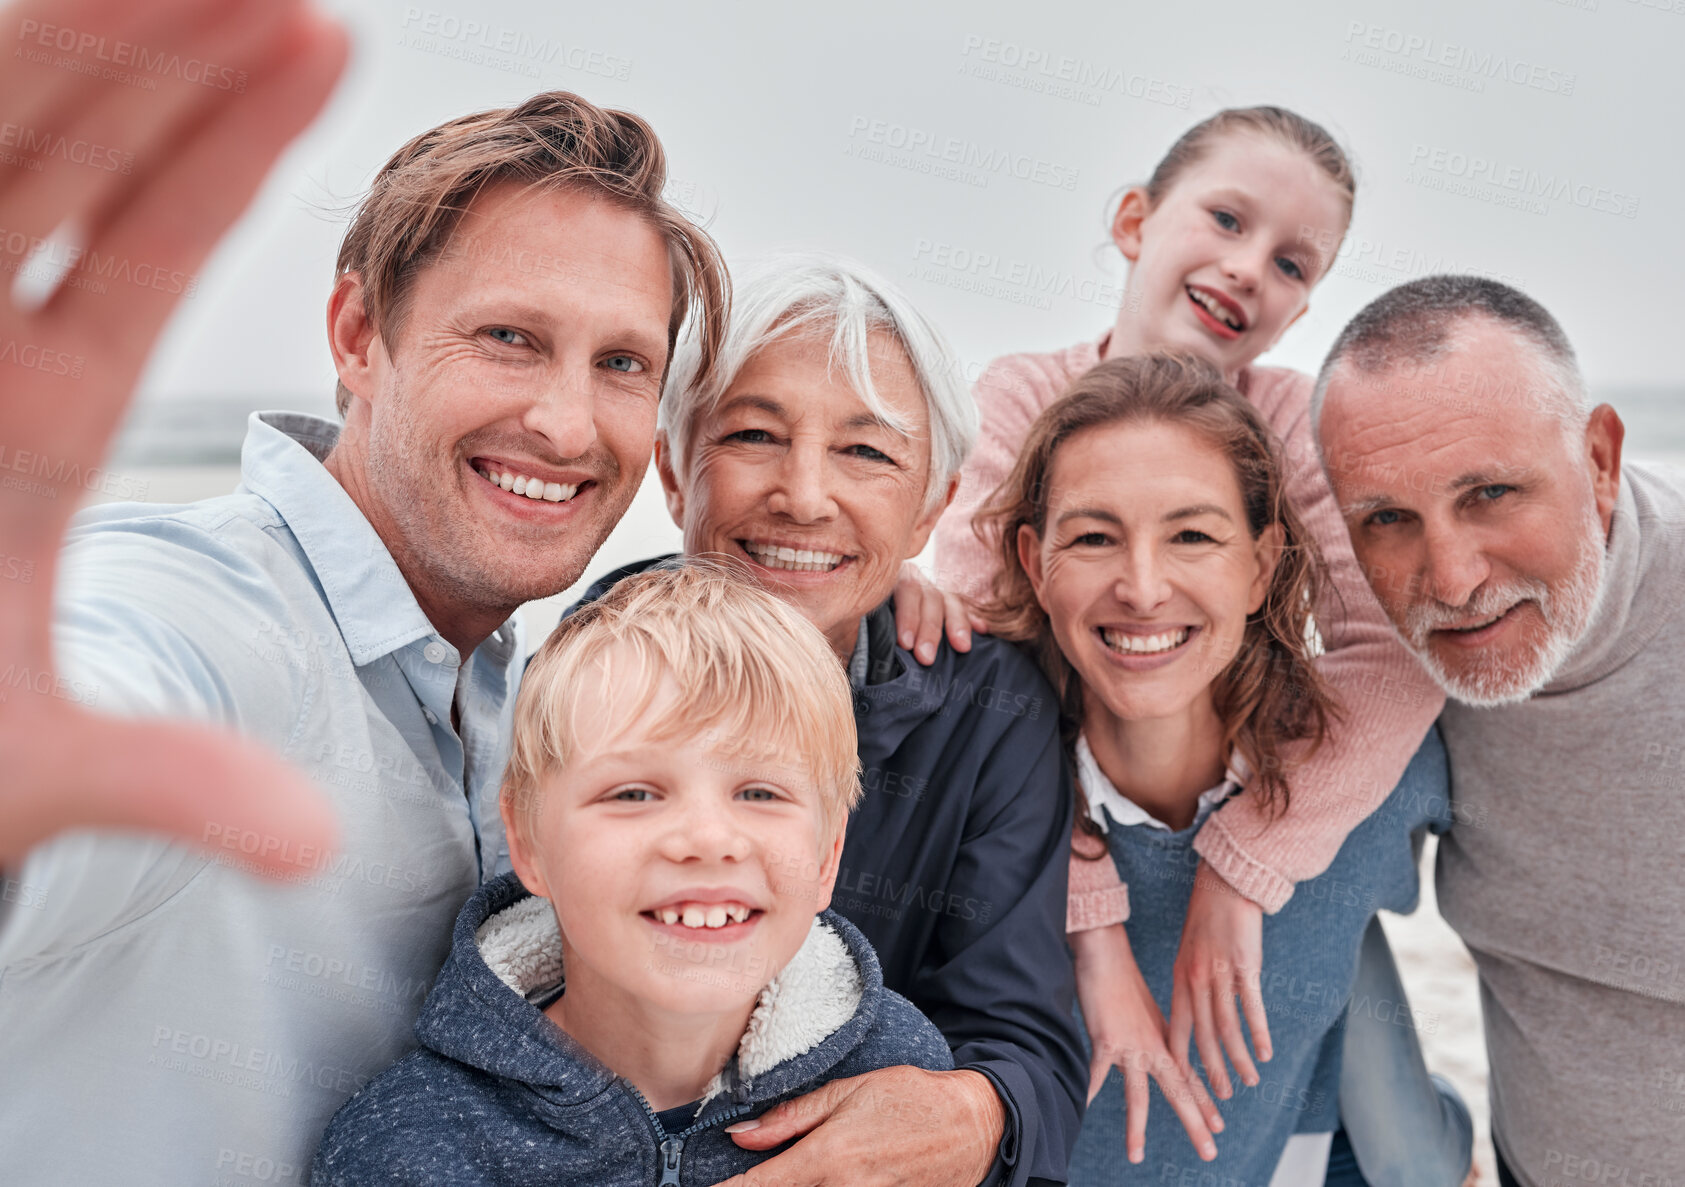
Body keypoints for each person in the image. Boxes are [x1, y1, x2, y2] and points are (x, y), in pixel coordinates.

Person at [0, 59, 730, 1184]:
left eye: (621, 362)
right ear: (356, 333)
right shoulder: (209, 612)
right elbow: (91, 699)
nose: (565, 421)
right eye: (508, 337)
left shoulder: (522, 697)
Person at [926, 104, 1459, 1170]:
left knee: (1348, 973)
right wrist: (1090, 919)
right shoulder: (1023, 397)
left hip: (1233, 782)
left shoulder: (1300, 422)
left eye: (1290, 261)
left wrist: (1243, 863)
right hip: (1082, 805)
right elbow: (983, 653)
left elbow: (1386, 652)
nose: (1246, 266)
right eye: (1223, 218)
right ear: (1133, 219)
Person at [577, 254, 1088, 1186]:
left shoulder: (992, 709)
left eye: (866, 451)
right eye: (752, 435)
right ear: (671, 470)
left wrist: (971, 1112)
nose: (805, 495)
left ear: (933, 504)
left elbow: (1029, 1054)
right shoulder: (576, 681)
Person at [977, 352, 1461, 1184]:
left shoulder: (1371, 781)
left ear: (1261, 566)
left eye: (1192, 535)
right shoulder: (968, 798)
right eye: (1093, 537)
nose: (1141, 586)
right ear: (1033, 562)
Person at [312, 564, 955, 1185]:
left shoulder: (898, 1082)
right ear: (528, 843)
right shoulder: (409, 1148)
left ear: (827, 858)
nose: (707, 840)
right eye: (633, 795)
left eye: (760, 793)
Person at [1313, 275, 1685, 1186]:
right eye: (1388, 519)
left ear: (1598, 458)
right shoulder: (1391, 660)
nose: (1448, 576)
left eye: (1488, 492)